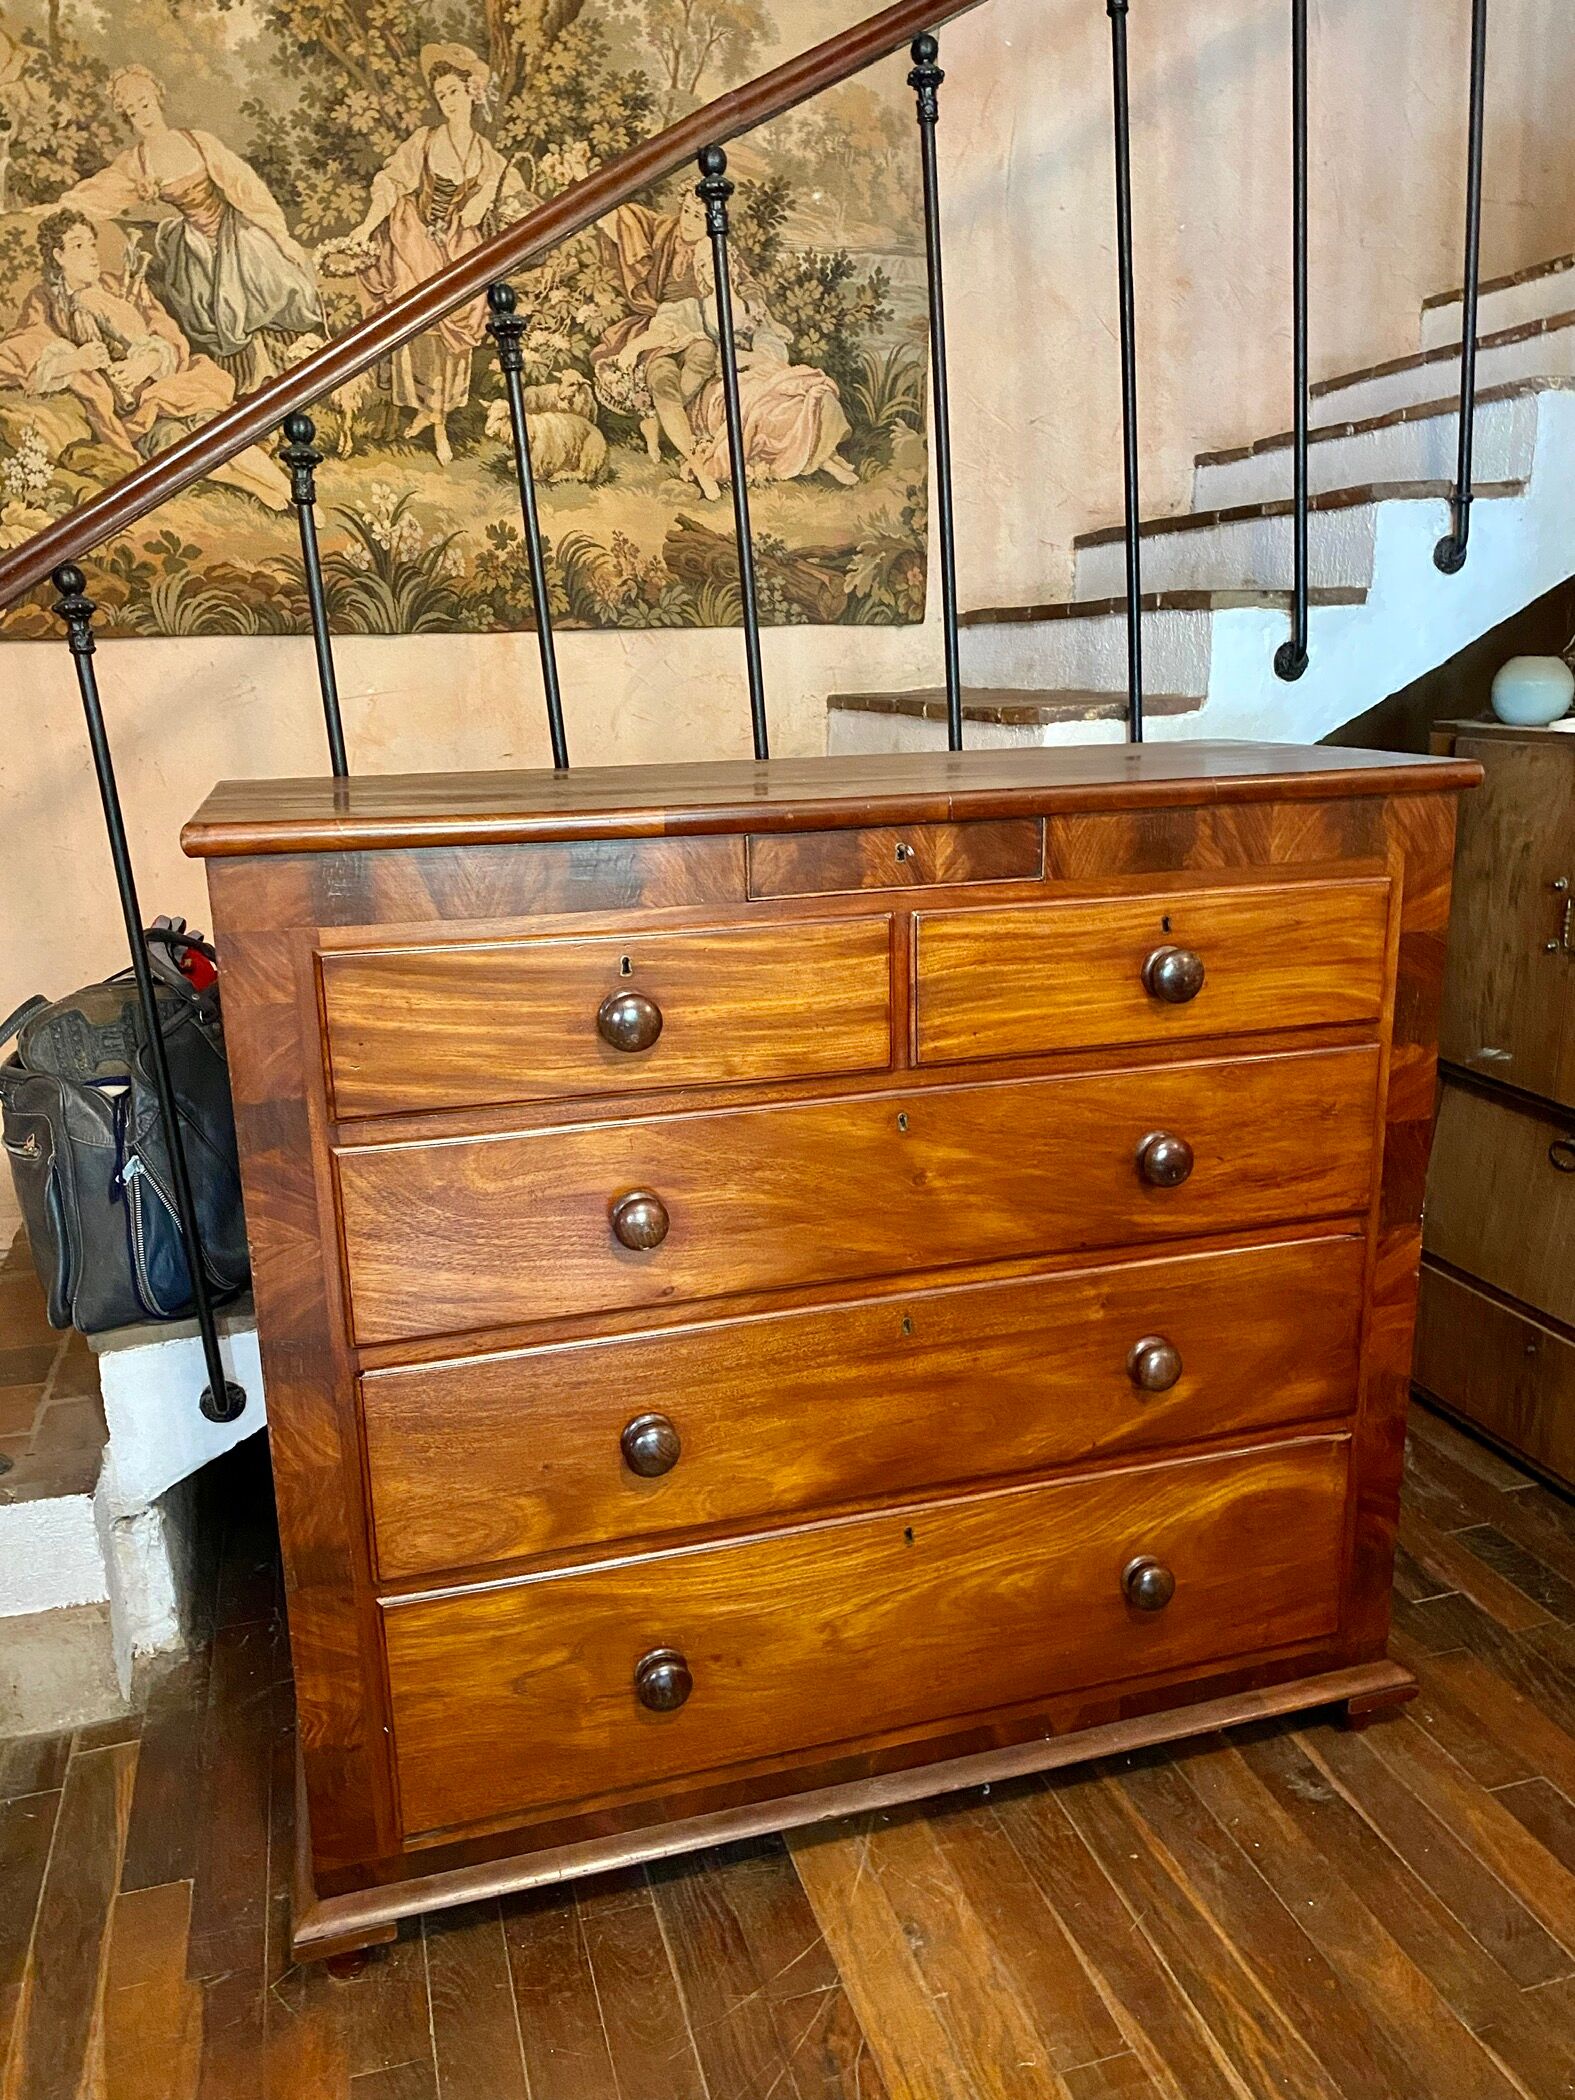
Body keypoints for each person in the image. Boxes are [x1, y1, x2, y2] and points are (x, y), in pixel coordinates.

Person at [324, 44, 532, 466]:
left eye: (454, 92)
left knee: (464, 314)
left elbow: (514, 200)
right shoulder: (424, 141)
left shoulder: (488, 157)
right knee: (420, 311)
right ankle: (429, 416)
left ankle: (436, 411)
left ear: (472, 93)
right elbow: (389, 183)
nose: (448, 102)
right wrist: (366, 226)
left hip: (461, 243)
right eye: (441, 96)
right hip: (415, 234)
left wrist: (493, 197)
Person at [0, 208, 290, 509]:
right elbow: (17, 353)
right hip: (131, 413)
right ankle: (252, 484)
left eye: (91, 244)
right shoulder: (44, 301)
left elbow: (166, 331)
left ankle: (286, 486)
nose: (91, 254)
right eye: (78, 246)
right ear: (58, 256)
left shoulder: (122, 285)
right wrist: (74, 361)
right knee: (175, 443)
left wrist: (148, 361)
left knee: (209, 423)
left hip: (172, 386)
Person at [58, 64, 324, 393]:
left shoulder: (198, 143)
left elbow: (245, 187)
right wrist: (56, 207)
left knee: (264, 278)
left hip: (233, 228)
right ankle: (247, 381)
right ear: (125, 116)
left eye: (145, 102)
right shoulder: (137, 162)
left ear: (157, 97)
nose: (142, 113)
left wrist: (280, 237)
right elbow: (97, 197)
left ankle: (291, 371)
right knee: (205, 301)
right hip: (193, 239)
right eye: (132, 109)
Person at [593, 192, 722, 496]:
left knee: (703, 355)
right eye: (686, 211)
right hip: (661, 322)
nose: (688, 221)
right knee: (662, 376)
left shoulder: (716, 248)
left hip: (700, 325)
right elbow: (626, 221)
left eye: (697, 216)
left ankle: (655, 420)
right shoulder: (666, 231)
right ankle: (697, 465)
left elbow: (740, 285)